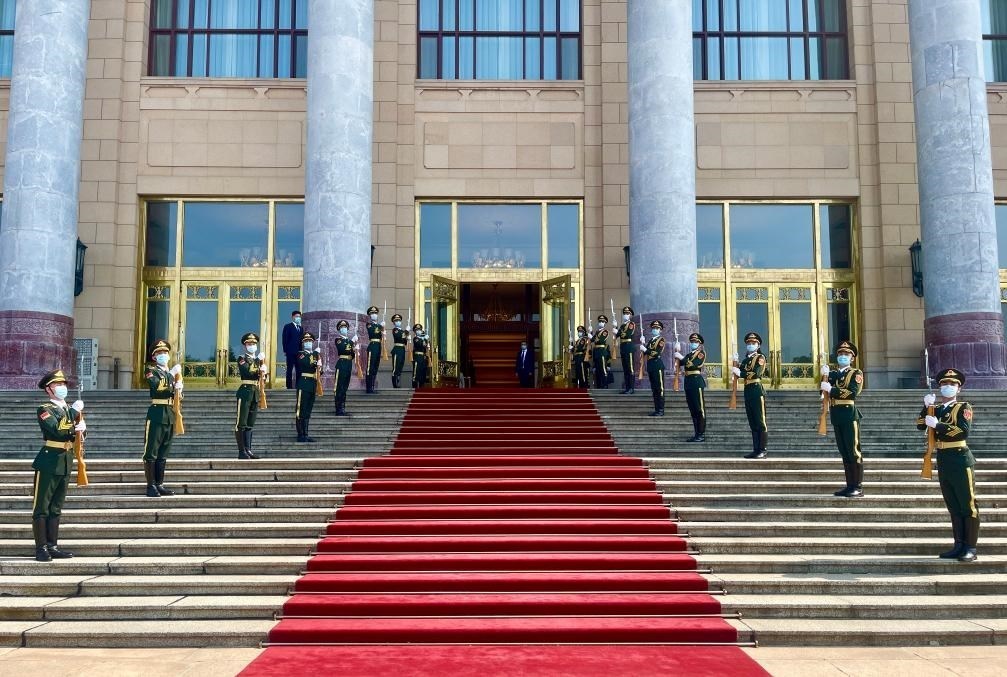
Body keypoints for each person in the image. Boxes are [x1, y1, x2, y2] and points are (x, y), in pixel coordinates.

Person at [917, 368, 979, 562]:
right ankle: (958, 545)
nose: (948, 387)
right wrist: (926, 406)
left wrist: (938, 425)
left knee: (967, 504)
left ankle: (970, 547)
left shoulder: (963, 407)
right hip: (943, 459)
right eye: (944, 384)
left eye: (952, 384)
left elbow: (963, 431)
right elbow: (920, 425)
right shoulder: (936, 409)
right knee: (953, 505)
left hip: (960, 458)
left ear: (959, 389)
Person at [32, 369, 85, 561]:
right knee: (42, 506)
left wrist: (81, 429)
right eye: (57, 384)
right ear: (48, 389)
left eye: (63, 384)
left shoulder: (67, 408)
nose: (62, 387)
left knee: (56, 506)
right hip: (49, 460)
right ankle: (41, 548)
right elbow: (57, 429)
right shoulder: (44, 409)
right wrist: (73, 413)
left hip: (65, 460)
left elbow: (73, 435)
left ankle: (52, 546)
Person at [822, 340, 864, 497]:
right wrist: (824, 375)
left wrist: (832, 390)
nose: (842, 356)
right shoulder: (833, 374)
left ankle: (857, 486)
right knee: (844, 452)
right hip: (836, 415)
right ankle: (849, 485)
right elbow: (823, 390)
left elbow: (852, 392)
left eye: (846, 354)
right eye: (840, 354)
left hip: (849, 414)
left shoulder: (856, 373)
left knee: (853, 451)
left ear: (852, 358)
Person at [143, 339, 183, 497]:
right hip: (157, 413)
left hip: (169, 413)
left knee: (163, 453)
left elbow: (176, 395)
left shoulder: (173, 374)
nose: (163, 355)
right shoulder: (151, 371)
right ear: (154, 357)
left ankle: (159, 484)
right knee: (151, 451)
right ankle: (150, 485)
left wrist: (179, 388)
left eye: (165, 352)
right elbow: (157, 386)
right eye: (159, 353)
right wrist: (171, 375)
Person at [735, 331, 768, 459]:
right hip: (747, 390)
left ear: (758, 345)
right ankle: (756, 449)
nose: (750, 344)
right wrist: (735, 363)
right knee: (752, 422)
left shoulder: (760, 358)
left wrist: (740, 373)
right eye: (748, 343)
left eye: (753, 343)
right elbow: (740, 370)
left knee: (760, 421)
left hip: (756, 390)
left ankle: (762, 450)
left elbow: (756, 373)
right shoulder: (745, 360)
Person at [235, 332, 265, 459]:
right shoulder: (242, 359)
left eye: (253, 344)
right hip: (245, 392)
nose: (252, 346)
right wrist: (258, 361)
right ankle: (241, 451)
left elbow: (261, 377)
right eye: (249, 344)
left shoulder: (258, 361)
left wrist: (264, 371)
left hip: (255, 392)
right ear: (245, 346)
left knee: (249, 424)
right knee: (241, 423)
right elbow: (247, 371)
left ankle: (248, 450)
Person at [677, 332, 707, 442]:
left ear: (699, 343)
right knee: (693, 410)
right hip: (688, 382)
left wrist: (681, 358)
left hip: (696, 382)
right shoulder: (689, 355)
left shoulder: (701, 353)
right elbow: (680, 363)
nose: (693, 343)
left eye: (695, 342)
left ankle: (701, 434)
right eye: (692, 342)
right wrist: (677, 351)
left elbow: (693, 364)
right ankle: (696, 434)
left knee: (699, 409)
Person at [295, 332, 321, 442]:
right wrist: (315, 356)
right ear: (303, 343)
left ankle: (305, 434)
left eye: (310, 341)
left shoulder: (315, 355)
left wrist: (319, 365)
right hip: (304, 384)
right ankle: (300, 434)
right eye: (306, 341)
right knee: (301, 410)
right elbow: (306, 363)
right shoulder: (301, 354)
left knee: (308, 411)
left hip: (312, 384)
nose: (308, 343)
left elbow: (319, 371)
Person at [643, 320, 667, 416]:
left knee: (659, 389)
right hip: (651, 366)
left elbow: (656, 353)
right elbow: (645, 352)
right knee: (654, 389)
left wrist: (646, 350)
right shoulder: (651, 340)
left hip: (657, 365)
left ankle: (660, 410)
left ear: (660, 330)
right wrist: (643, 343)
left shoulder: (661, 340)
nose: (655, 330)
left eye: (657, 328)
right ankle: (657, 409)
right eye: (653, 328)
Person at [333, 320, 356, 416]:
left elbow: (352, 355)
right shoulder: (338, 340)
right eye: (342, 328)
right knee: (339, 387)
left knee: (345, 387)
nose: (344, 329)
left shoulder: (350, 341)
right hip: (341, 364)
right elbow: (342, 348)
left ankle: (342, 408)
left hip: (348, 364)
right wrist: (352, 343)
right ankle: (338, 408)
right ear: (339, 330)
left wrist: (355, 349)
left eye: (345, 328)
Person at [617, 306, 637, 394]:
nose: (625, 315)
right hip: (623, 348)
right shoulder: (622, 326)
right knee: (625, 369)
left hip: (629, 347)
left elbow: (627, 334)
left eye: (627, 313)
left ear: (630, 315)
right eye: (624, 313)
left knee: (630, 368)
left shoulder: (631, 324)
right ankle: (627, 387)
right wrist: (615, 327)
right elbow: (617, 335)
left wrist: (619, 332)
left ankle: (631, 388)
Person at [282, 310, 303, 389]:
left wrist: (301, 351)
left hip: (298, 352)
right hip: (290, 352)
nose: (298, 318)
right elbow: (285, 339)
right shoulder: (288, 326)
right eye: (297, 316)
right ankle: (289, 386)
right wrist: (285, 350)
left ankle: (298, 385)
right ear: (293, 317)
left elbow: (301, 341)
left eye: (299, 317)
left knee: (299, 370)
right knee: (289, 369)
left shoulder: (300, 328)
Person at [365, 305, 383, 394]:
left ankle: (372, 386)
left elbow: (381, 337)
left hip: (378, 346)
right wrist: (381, 327)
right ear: (369, 315)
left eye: (375, 313)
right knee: (370, 367)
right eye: (372, 313)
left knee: (375, 367)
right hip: (372, 346)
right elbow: (373, 332)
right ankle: (369, 388)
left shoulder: (379, 326)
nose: (374, 315)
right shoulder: (369, 325)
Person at [390, 313, 409, 388]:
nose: (398, 322)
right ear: (394, 322)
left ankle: (398, 382)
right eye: (396, 321)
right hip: (397, 350)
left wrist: (407, 338)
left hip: (402, 350)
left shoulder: (402, 331)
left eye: (399, 320)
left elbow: (404, 342)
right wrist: (406, 332)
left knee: (400, 367)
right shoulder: (395, 330)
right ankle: (395, 384)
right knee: (396, 368)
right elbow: (398, 337)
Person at [592, 314, 611, 388]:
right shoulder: (597, 332)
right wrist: (590, 333)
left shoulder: (605, 332)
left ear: (605, 323)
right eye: (600, 321)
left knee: (603, 370)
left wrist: (592, 337)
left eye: (602, 322)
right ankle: (599, 385)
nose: (601, 323)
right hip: (597, 352)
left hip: (602, 352)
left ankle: (604, 385)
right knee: (598, 371)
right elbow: (592, 340)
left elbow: (600, 340)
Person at [412, 323, 430, 388]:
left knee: (423, 373)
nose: (418, 331)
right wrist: (425, 339)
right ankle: (414, 387)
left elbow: (427, 347)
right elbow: (420, 344)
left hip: (423, 357)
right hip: (418, 357)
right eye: (417, 330)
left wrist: (428, 342)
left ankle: (422, 386)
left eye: (419, 330)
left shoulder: (423, 338)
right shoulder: (416, 339)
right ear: (415, 331)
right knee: (416, 372)